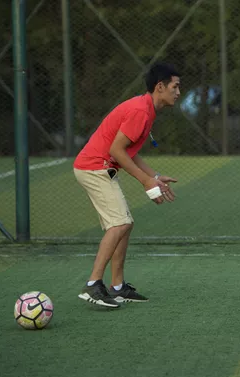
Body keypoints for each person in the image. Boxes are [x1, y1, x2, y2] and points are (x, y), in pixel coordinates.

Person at [73, 62, 181, 308]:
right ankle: (93, 285)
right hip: (94, 167)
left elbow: (128, 151)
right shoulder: (141, 111)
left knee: (125, 224)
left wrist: (154, 175)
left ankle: (118, 287)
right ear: (160, 86)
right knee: (120, 223)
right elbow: (116, 151)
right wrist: (146, 181)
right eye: (175, 87)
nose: (178, 92)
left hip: (100, 168)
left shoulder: (146, 109)